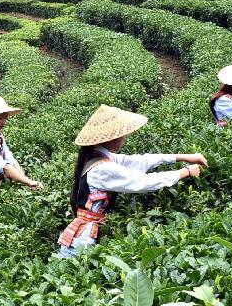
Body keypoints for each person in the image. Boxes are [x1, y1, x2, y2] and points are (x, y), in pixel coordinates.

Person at [57, 105, 208, 257]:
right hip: (80, 245)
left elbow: (140, 161)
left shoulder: (98, 157)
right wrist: (186, 171)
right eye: (122, 134)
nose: (125, 138)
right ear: (110, 138)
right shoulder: (102, 169)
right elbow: (144, 182)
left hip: (81, 239)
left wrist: (184, 157)